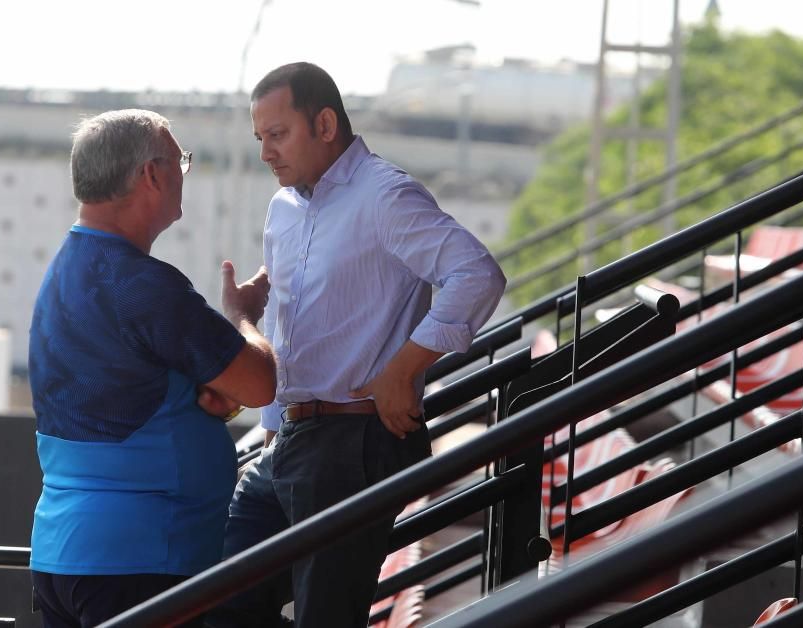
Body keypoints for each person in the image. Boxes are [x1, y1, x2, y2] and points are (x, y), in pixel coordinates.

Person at [209, 63, 506, 628]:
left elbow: (476, 274)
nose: (266, 153)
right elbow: (289, 319)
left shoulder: (385, 194)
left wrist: (404, 369)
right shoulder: (284, 209)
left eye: (278, 135)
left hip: (353, 444)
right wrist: (273, 419)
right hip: (290, 440)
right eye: (259, 139)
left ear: (324, 123)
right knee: (221, 603)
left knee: (325, 618)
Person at [28, 109, 277, 628]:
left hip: (61, 552)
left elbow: (128, 385)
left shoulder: (62, 272)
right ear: (151, 174)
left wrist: (202, 391)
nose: (183, 174)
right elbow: (258, 383)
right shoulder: (144, 286)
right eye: (180, 161)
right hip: (140, 560)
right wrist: (242, 318)